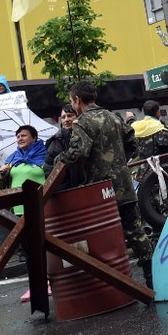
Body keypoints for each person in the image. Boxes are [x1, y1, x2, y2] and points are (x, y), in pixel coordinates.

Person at [55, 80, 152, 286]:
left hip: (100, 191)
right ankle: (152, 277)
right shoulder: (113, 117)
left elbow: (78, 153)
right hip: (124, 185)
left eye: (71, 101)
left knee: (103, 235)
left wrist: (60, 159)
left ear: (77, 100)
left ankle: (115, 283)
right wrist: (118, 162)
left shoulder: (82, 122)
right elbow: (132, 143)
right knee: (136, 232)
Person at [0, 126, 48, 214]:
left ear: (34, 137)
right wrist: (3, 176)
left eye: (23, 136)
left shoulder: (46, 155)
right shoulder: (12, 158)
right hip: (17, 209)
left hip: (41, 207)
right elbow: (3, 187)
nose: (20, 139)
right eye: (18, 137)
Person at [45, 105, 77, 185]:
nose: (66, 120)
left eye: (70, 116)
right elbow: (49, 168)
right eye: (63, 117)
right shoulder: (57, 141)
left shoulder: (87, 136)